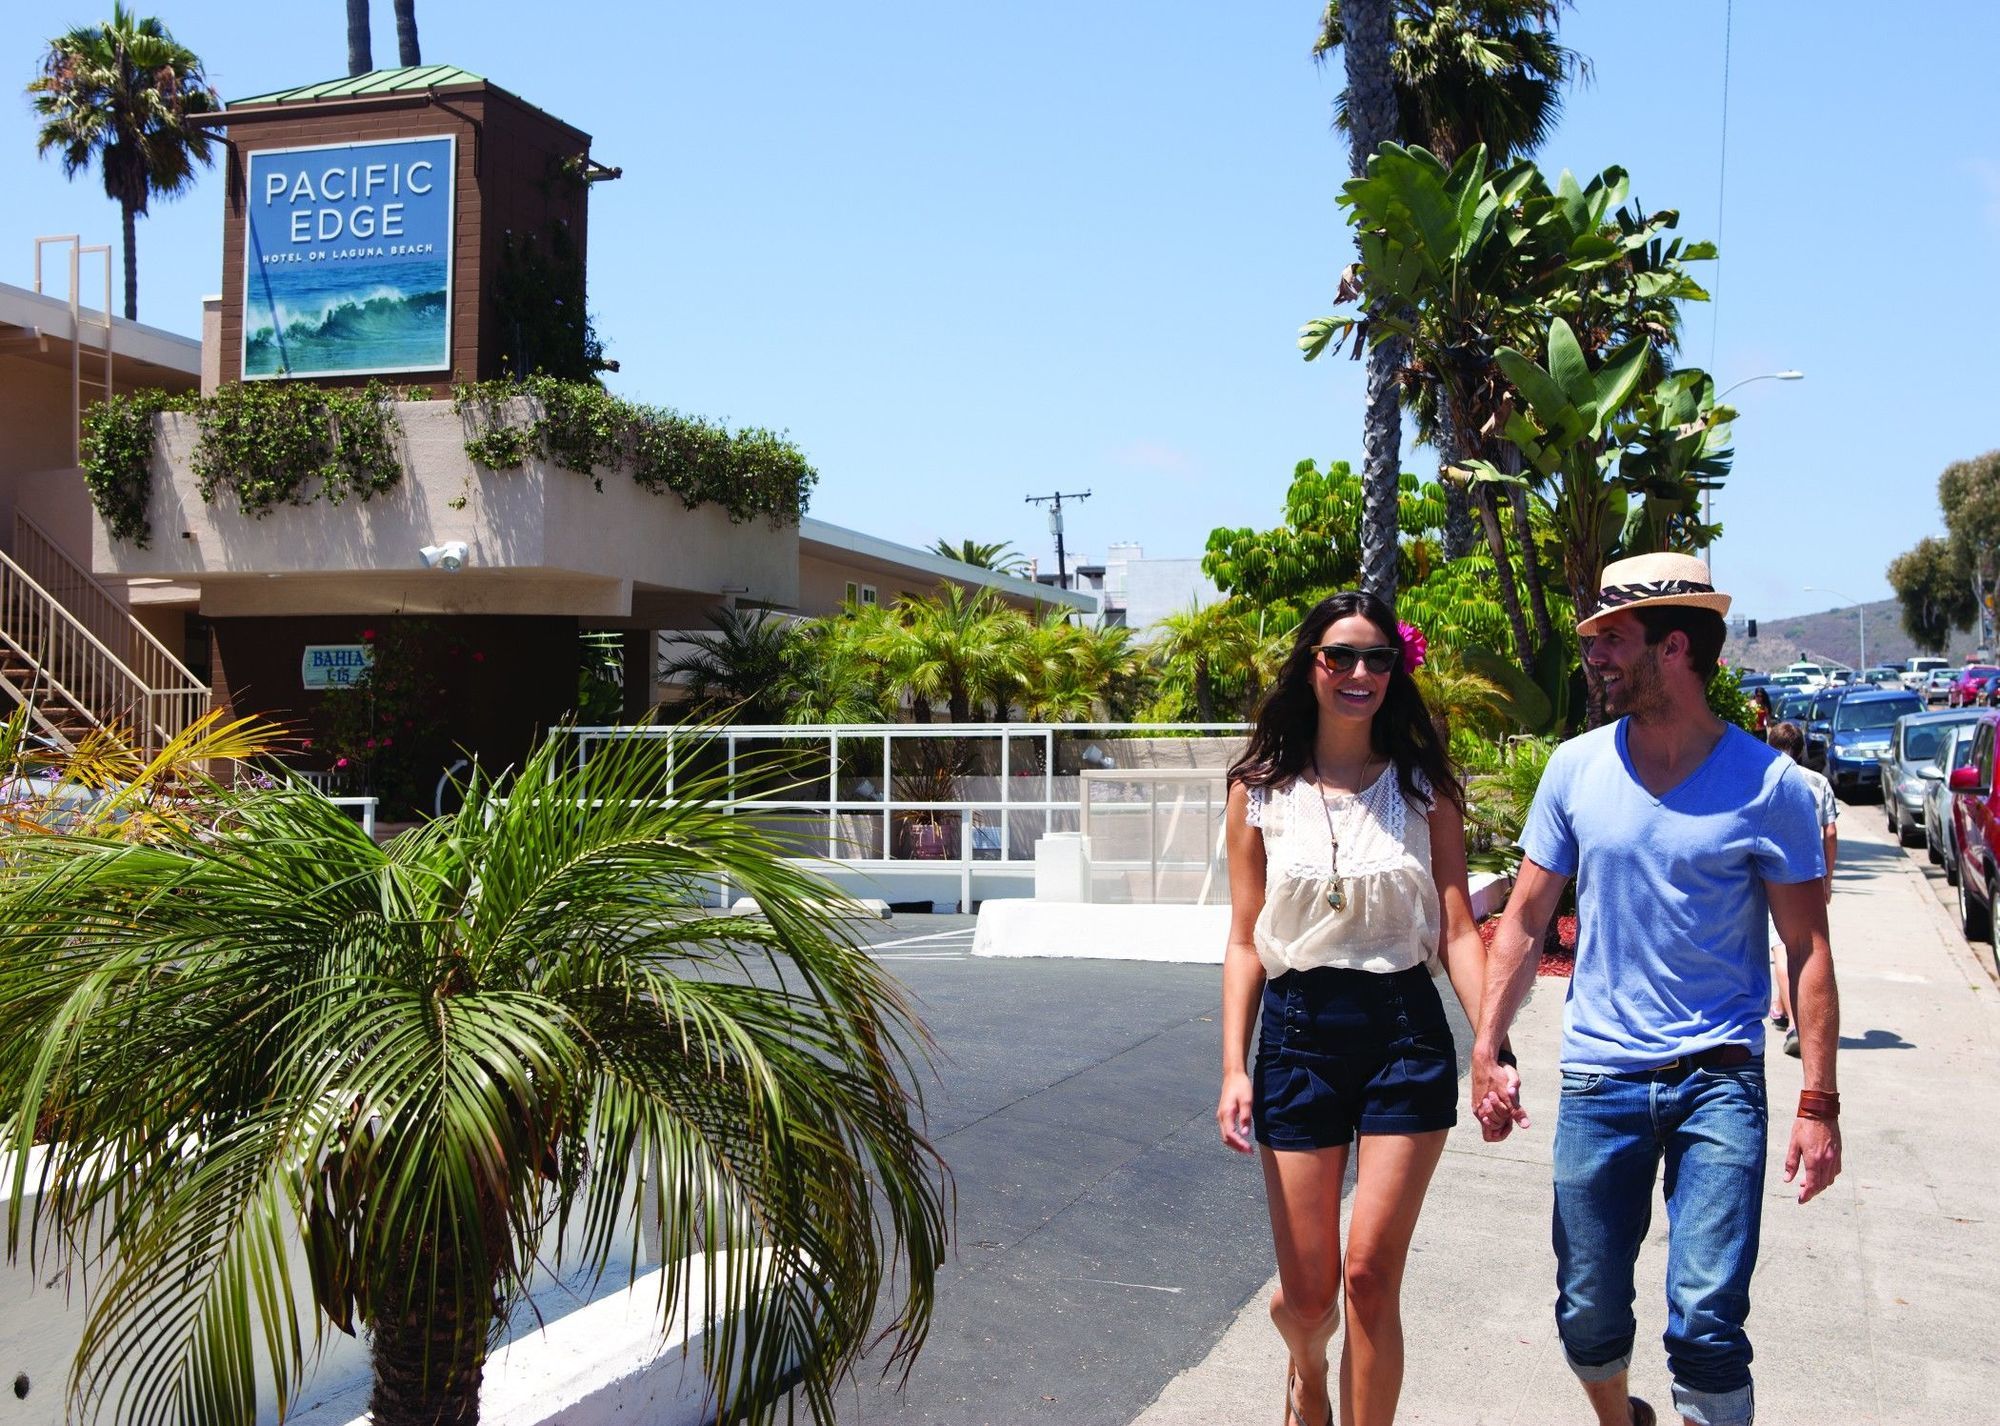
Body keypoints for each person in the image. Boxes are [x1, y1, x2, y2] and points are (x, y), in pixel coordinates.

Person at [1470, 552, 1842, 1426]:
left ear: (1674, 648)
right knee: (1588, 1314)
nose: (1592, 656)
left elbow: (1808, 946)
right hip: (1601, 1078)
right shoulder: (1575, 770)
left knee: (1709, 1320)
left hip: (1719, 1078)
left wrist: (1819, 1103)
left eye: (1611, 639)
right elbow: (1524, 921)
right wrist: (1489, 1047)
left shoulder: (1770, 787)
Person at [1215, 590, 1515, 1426]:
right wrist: (1235, 1067)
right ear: (1309, 665)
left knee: (1370, 1278)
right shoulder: (1259, 789)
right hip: (1299, 1034)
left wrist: (1491, 1043)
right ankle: (1306, 1367)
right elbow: (1245, 939)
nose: (1359, 673)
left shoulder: (1423, 787)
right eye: (1340, 656)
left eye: (1378, 659)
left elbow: (1459, 926)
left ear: (1396, 671)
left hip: (1405, 1035)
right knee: (1309, 1301)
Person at [1763, 720, 1837, 1056]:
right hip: (1809, 872)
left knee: (1781, 949)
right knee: (1805, 946)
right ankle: (1781, 1008)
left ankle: (1795, 1024)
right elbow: (1831, 832)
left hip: (1771, 872)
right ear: (1801, 747)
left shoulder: (1763, 779)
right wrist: (1828, 877)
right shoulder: (1818, 782)